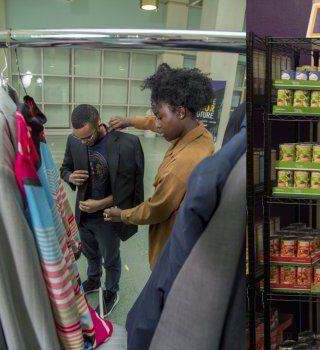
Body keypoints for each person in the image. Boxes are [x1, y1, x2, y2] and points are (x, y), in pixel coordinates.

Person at [104, 64, 215, 269]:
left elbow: (158, 209)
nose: (157, 124)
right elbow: (156, 122)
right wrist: (129, 121)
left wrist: (122, 215)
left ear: (180, 111)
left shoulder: (183, 163)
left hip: (171, 251)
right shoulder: (200, 134)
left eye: (159, 116)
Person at [60, 104, 144, 317]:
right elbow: (65, 168)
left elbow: (129, 190)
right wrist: (70, 176)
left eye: (87, 138)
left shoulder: (126, 144)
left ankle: (111, 291)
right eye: (80, 139)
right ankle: (94, 278)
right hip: (84, 215)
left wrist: (100, 204)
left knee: (111, 257)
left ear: (99, 124)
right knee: (90, 253)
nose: (84, 143)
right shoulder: (75, 140)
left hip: (108, 216)